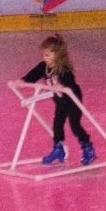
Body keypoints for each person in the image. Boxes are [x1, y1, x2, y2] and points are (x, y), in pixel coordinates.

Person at [21, 33, 95, 167]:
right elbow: (34, 74)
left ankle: (88, 148)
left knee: (75, 125)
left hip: (72, 99)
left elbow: (69, 80)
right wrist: (22, 81)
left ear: (57, 54)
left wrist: (62, 85)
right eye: (43, 55)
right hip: (60, 101)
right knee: (57, 124)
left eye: (48, 55)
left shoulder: (63, 68)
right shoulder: (44, 66)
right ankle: (58, 149)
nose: (45, 58)